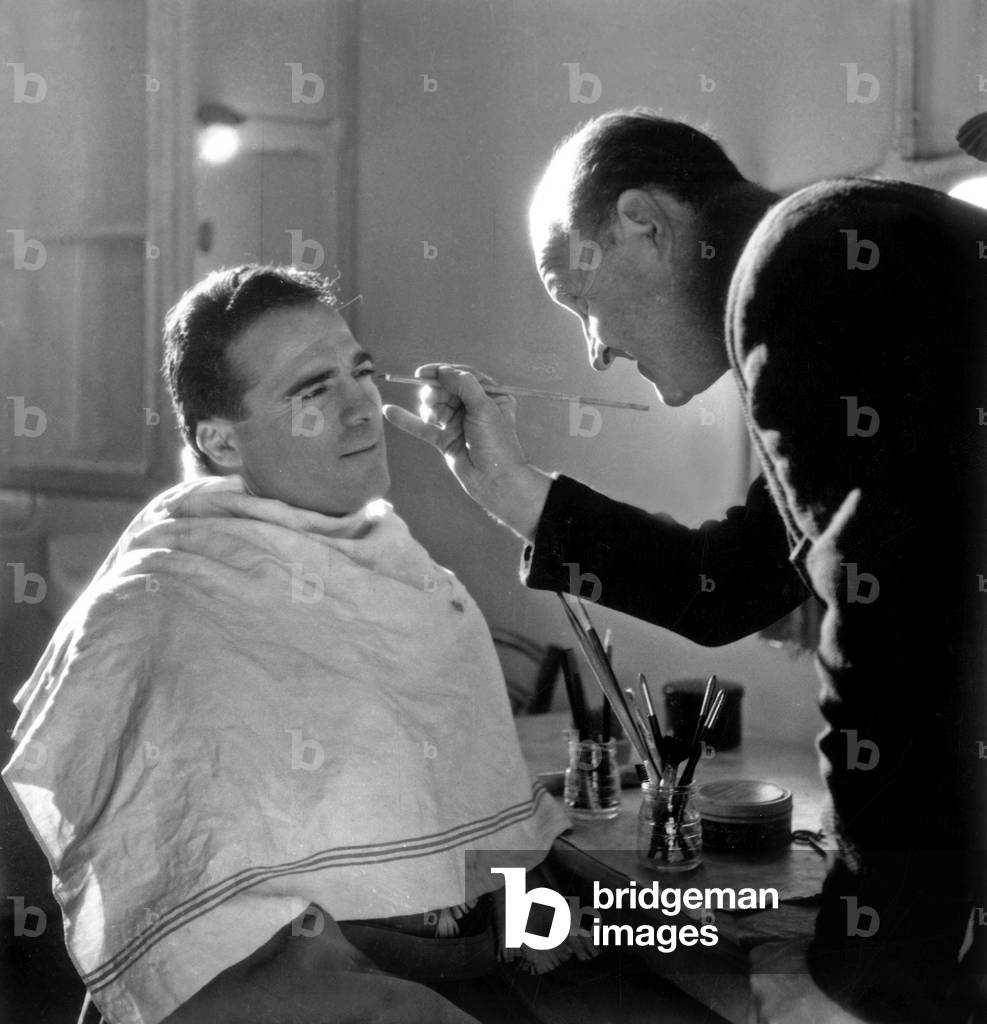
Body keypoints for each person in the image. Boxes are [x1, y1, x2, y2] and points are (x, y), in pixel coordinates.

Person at [384, 110, 987, 1021]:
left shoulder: (805, 257)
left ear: (644, 223)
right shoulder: (832, 255)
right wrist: (505, 485)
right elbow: (732, 584)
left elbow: (891, 619)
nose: (596, 350)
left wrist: (860, 976)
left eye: (577, 298)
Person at [2, 265, 571, 1024]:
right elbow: (208, 925)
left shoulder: (407, 569)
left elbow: (457, 815)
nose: (363, 408)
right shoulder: (161, 609)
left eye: (361, 372)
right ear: (219, 441)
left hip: (453, 962)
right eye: (313, 390)